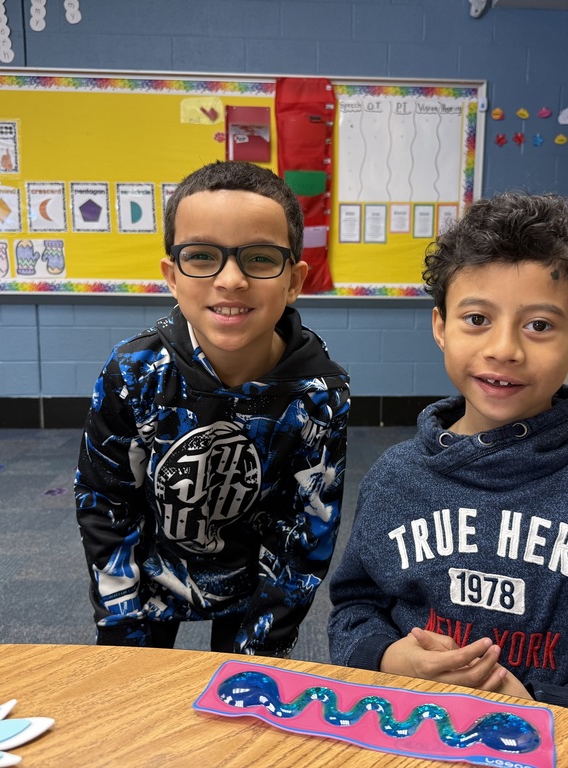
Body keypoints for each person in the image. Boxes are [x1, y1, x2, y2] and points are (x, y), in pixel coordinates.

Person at [327, 191, 568, 729]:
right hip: (411, 730)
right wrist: (387, 660)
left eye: (540, 326)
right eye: (477, 318)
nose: (504, 348)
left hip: (557, 745)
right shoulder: (394, 478)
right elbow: (355, 610)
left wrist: (544, 707)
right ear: (440, 327)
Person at [76, 160, 350, 657]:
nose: (230, 280)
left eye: (261, 258)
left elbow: (307, 529)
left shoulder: (318, 394)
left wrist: (260, 645)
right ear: (172, 277)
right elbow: (105, 505)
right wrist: (122, 629)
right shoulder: (135, 372)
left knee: (241, 712)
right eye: (201, 256)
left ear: (294, 280)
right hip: (150, 576)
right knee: (137, 706)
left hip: (253, 588)